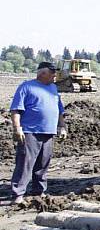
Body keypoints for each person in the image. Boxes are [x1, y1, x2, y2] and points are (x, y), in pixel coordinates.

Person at [6, 62, 67, 203]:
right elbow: (16, 109)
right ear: (42, 73)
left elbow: (59, 110)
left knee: (43, 164)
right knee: (25, 163)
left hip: (49, 132)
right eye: (52, 73)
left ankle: (38, 191)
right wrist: (17, 128)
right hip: (30, 132)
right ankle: (18, 194)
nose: (54, 75)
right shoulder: (27, 87)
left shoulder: (53, 88)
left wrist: (62, 126)